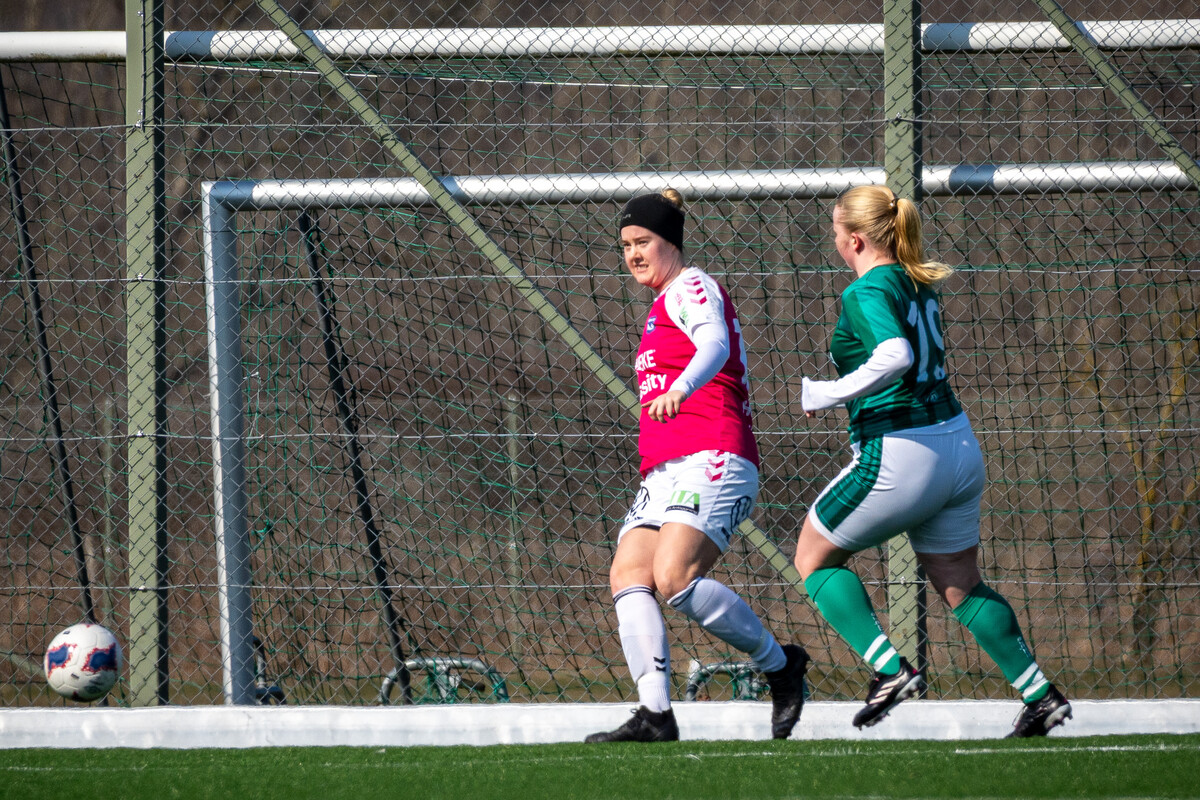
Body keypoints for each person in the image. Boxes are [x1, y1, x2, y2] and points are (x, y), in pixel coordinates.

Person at [792, 185, 1071, 737]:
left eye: (835, 231)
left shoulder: (867, 288)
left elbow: (895, 354)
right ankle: (1041, 696)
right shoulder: (917, 282)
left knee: (813, 559)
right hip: (958, 447)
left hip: (903, 450)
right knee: (960, 583)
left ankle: (889, 669)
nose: (834, 240)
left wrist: (829, 392)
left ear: (854, 239)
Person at [585, 189, 809, 743]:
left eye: (643, 242)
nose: (633, 254)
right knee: (628, 575)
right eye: (625, 246)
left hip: (714, 453)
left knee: (675, 578)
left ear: (671, 242)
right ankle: (656, 714)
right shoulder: (661, 305)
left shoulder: (691, 286)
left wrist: (682, 388)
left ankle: (781, 665)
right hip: (665, 468)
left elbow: (713, 344)